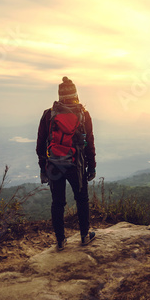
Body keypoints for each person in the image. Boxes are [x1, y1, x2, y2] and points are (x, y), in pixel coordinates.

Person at [36, 76, 96, 250]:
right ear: (76, 94)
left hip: (54, 165)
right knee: (81, 199)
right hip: (76, 165)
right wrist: (91, 166)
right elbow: (89, 143)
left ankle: (60, 241)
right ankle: (85, 236)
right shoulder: (83, 114)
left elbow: (40, 145)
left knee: (58, 202)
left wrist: (43, 169)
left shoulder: (48, 115)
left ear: (60, 96)